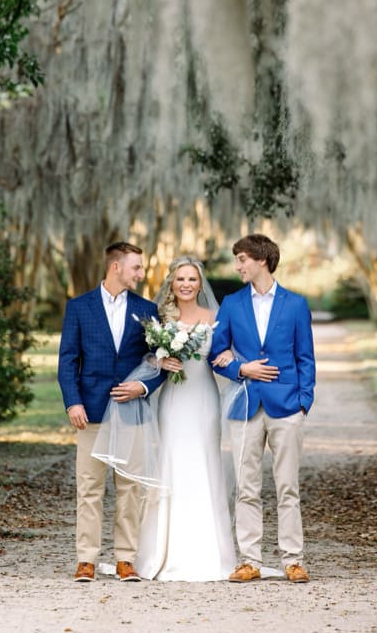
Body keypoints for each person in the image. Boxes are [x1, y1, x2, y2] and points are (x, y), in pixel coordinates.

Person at [209, 234, 316, 584]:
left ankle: (293, 560)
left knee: (288, 487)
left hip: (287, 407)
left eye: (242, 259)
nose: (238, 266)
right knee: (246, 487)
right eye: (237, 259)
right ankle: (250, 561)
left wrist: (303, 403)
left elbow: (305, 358)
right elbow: (216, 354)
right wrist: (241, 369)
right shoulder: (231, 304)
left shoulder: (296, 304)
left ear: (262, 260)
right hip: (245, 405)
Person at [57, 241, 165, 582]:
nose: (140, 273)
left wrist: (143, 387)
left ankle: (125, 559)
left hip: (130, 410)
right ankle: (86, 559)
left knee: (129, 488)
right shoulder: (79, 307)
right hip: (89, 411)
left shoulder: (147, 309)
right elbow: (67, 359)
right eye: (136, 267)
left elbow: (159, 362)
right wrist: (73, 401)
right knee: (89, 487)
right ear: (116, 267)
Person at [129, 256, 238, 581]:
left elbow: (226, 351)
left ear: (200, 283)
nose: (186, 285)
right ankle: (165, 551)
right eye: (180, 279)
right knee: (173, 464)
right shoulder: (160, 318)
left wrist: (230, 354)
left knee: (205, 464)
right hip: (173, 401)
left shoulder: (214, 317)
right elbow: (143, 355)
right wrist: (159, 360)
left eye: (192, 279)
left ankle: (210, 553)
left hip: (203, 398)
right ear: (172, 284)